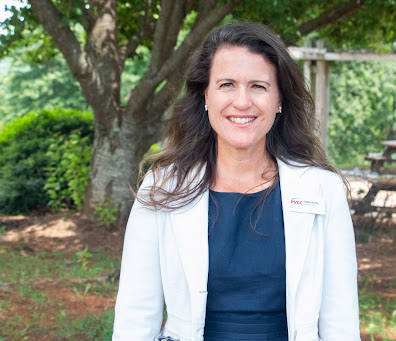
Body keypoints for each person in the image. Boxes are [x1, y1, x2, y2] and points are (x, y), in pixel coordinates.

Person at [112, 22, 360, 341]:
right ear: (205, 95)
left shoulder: (323, 190)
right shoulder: (162, 187)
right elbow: (136, 314)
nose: (242, 102)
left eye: (258, 86)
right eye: (227, 84)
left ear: (280, 100)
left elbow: (340, 321)